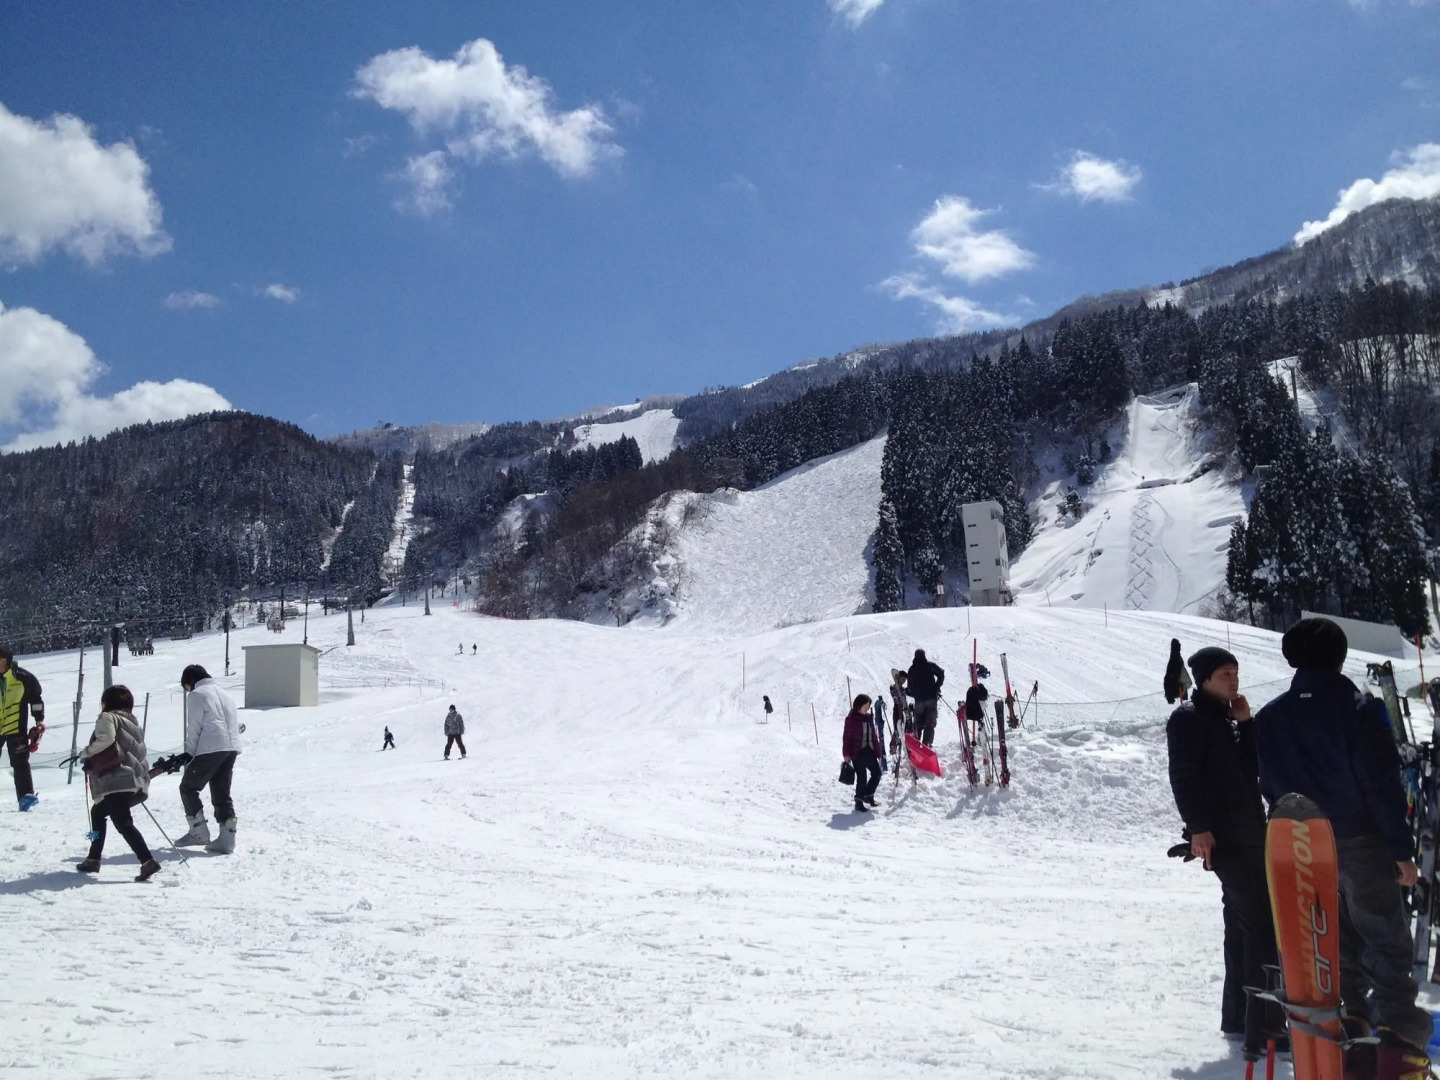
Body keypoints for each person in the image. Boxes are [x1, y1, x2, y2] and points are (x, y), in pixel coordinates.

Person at [1254, 617, 1433, 1076]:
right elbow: (1381, 785)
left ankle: (1349, 1039)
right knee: (1384, 940)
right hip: (1359, 840)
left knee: (1332, 947)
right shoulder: (1358, 709)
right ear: (1338, 655)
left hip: (1301, 844)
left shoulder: (1271, 716)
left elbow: (1270, 784)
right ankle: (1399, 1051)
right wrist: (1400, 850)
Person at [1166, 645, 1280, 1058]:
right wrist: (1199, 828)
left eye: (1235, 672)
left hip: (1252, 834)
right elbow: (1183, 776)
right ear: (1205, 679)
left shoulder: (1229, 719)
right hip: (1226, 841)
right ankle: (1264, 1027)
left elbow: (1253, 768)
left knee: (1241, 927)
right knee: (1261, 928)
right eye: (1224, 674)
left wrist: (1247, 724)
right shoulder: (1188, 719)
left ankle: (1238, 1018)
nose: (1233, 679)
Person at [76, 685, 159, 881]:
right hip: (133, 780)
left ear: (107, 702)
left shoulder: (107, 718)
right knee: (98, 813)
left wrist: (86, 752)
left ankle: (147, 861)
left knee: (123, 822)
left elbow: (107, 739)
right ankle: (93, 858)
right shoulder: (133, 723)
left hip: (116, 779)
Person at [175, 664, 242, 855]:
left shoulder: (197, 695)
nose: (187, 690)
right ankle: (227, 839)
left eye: (186, 686)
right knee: (222, 792)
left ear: (189, 682)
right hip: (231, 748)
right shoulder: (225, 694)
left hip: (210, 748)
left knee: (188, 787)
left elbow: (194, 726)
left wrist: (189, 752)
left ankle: (198, 832)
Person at [0, 645, 45, 811]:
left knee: (20, 762)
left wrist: (39, 720)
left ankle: (25, 796)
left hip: (15, 727)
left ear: (3, 660)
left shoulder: (23, 677)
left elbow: (36, 699)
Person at [842, 694, 881, 813]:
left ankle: (868, 795)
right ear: (859, 706)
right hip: (857, 752)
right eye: (865, 706)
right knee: (862, 777)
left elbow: (874, 736)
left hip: (869, 750)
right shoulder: (851, 719)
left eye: (868, 706)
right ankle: (859, 802)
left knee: (877, 773)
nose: (867, 708)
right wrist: (846, 754)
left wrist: (878, 750)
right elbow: (846, 738)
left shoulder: (869, 718)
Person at [906, 650, 945, 748]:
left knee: (918, 723)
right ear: (924, 655)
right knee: (930, 723)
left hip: (919, 700)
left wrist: (915, 693)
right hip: (931, 698)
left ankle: (916, 745)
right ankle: (927, 744)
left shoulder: (912, 669)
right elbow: (941, 673)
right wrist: (936, 687)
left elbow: (910, 688)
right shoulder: (929, 665)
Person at [1164, 638, 1192, 705]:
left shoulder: (1177, 658)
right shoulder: (1176, 659)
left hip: (1178, 688)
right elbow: (1169, 677)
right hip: (1177, 688)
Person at [889, 670, 911, 735]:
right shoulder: (892, 687)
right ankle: (895, 742)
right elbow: (894, 696)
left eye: (905, 679)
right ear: (898, 678)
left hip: (904, 709)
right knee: (897, 728)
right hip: (897, 708)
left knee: (905, 727)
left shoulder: (903, 689)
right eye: (902, 679)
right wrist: (898, 688)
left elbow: (904, 700)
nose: (903, 681)